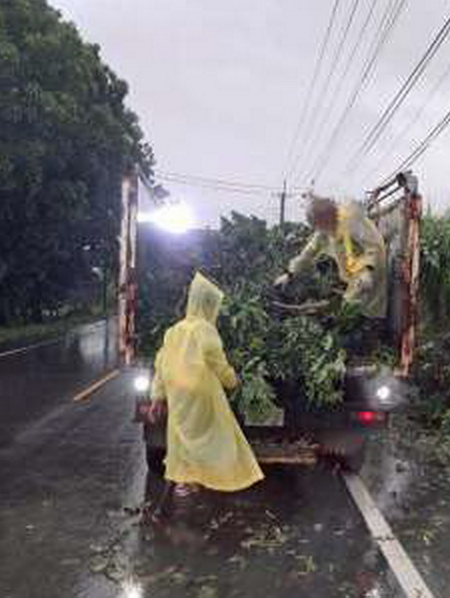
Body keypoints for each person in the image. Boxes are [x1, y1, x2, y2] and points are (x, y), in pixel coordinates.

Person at [149, 273, 264, 495]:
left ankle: (185, 482)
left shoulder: (173, 330)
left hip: (177, 393)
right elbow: (217, 362)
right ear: (208, 305)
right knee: (214, 435)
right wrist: (232, 381)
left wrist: (157, 397)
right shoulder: (205, 329)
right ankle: (215, 475)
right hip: (200, 392)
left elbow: (161, 364)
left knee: (182, 437)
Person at [273, 196, 387, 319]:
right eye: (318, 225)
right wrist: (290, 273)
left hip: (371, 276)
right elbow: (309, 252)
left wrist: (367, 271)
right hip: (352, 280)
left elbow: (374, 246)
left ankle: (374, 328)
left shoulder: (352, 219)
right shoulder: (324, 230)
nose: (322, 228)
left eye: (322, 223)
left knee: (367, 312)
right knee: (348, 312)